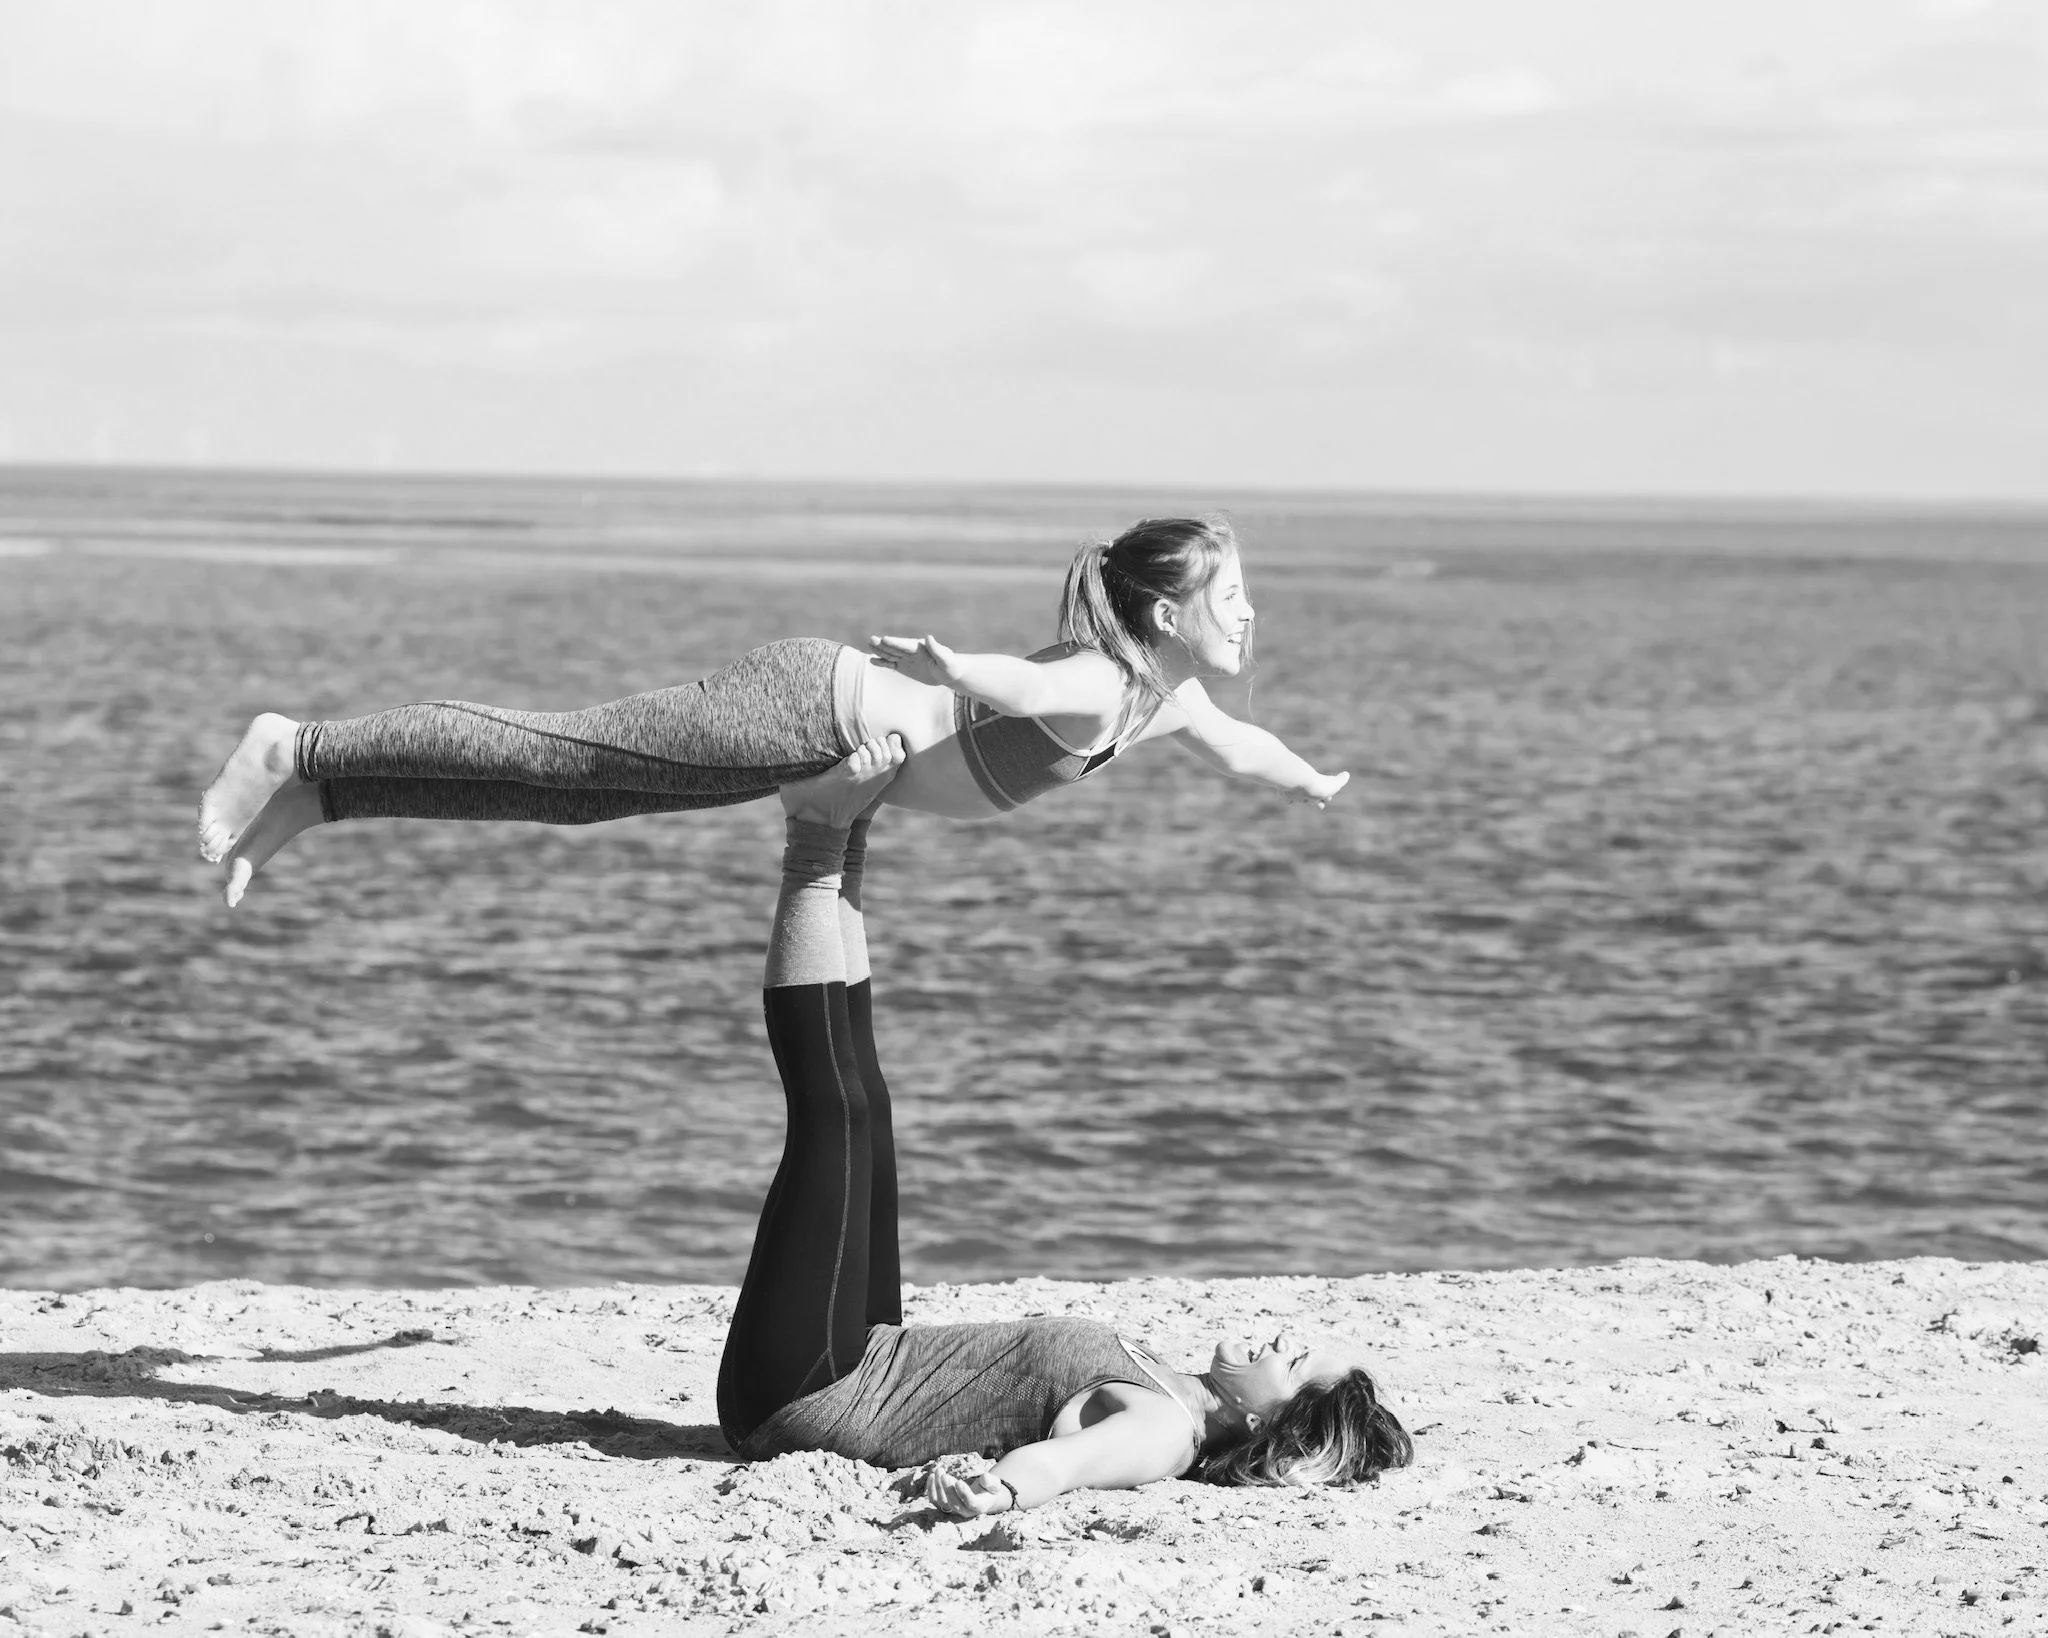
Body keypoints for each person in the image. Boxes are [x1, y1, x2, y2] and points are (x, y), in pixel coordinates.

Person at [724, 737, 1413, 1511]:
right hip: (869, 1356)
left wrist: (998, 1492)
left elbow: (1066, 1465)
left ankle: (814, 836)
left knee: (835, 1117)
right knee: (869, 1111)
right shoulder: (1169, 1384)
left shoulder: (1165, 1431)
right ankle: (847, 836)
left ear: (1264, 1421)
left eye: (1296, 1365)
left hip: (812, 1395)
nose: (1287, 1340)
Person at [197, 516, 1349, 906]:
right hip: (812, 705)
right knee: (561, 756)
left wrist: (1306, 781)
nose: (1247, 619)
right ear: (1159, 611)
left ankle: (327, 794)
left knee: (571, 802)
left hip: (825, 731)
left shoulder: (1164, 698)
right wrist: (955, 670)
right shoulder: (1102, 685)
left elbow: (1239, 743)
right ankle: (294, 745)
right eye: (1230, 599)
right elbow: (1031, 686)